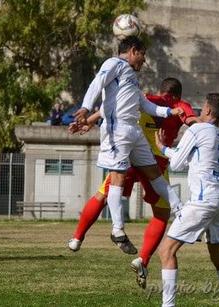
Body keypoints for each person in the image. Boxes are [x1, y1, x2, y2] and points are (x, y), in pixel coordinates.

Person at [68, 78, 198, 288]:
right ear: (179, 95)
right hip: (156, 162)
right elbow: (192, 121)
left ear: (161, 90)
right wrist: (204, 130)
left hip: (130, 156)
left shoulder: (148, 98)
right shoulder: (180, 106)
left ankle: (77, 238)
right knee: (161, 214)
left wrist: (89, 120)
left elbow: (116, 105)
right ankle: (143, 260)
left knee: (103, 195)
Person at [72, 36, 185, 257]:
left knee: (154, 174)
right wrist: (86, 108)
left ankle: (181, 210)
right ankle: (117, 230)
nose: (145, 60)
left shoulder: (131, 76)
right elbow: (97, 84)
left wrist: (169, 112)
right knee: (118, 178)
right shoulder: (113, 64)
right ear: (133, 51)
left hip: (134, 131)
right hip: (118, 131)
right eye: (143, 54)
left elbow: (143, 105)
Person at [156, 93, 219, 307]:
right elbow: (196, 160)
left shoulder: (197, 129)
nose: (200, 111)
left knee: (166, 250)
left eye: (202, 108)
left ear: (209, 110)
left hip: (204, 199)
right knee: (217, 253)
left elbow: (177, 164)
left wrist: (163, 148)